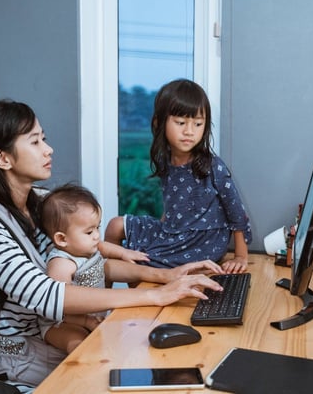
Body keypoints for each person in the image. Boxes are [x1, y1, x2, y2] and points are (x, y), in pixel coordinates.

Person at [0, 99, 224, 393]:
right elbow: (46, 294)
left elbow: (89, 260)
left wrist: (164, 276)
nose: (48, 149)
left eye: (44, 138)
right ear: (3, 158)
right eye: (35, 141)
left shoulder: (40, 202)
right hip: (16, 361)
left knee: (166, 363)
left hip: (55, 336)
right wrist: (155, 296)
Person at [105, 79, 253, 273]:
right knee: (115, 226)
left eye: (198, 124)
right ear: (159, 122)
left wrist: (241, 256)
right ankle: (105, 295)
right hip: (173, 230)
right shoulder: (166, 161)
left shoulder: (212, 166)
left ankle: (141, 296)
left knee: (137, 262)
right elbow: (173, 203)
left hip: (201, 242)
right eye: (181, 122)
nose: (189, 131)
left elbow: (236, 211)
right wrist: (161, 232)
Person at [38, 183, 120, 354]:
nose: (97, 235)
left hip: (90, 317)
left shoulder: (86, 251)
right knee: (79, 343)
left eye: (97, 227)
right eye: (89, 232)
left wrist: (125, 253)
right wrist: (85, 322)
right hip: (61, 323)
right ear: (62, 239)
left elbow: (106, 252)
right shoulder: (61, 264)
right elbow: (60, 306)